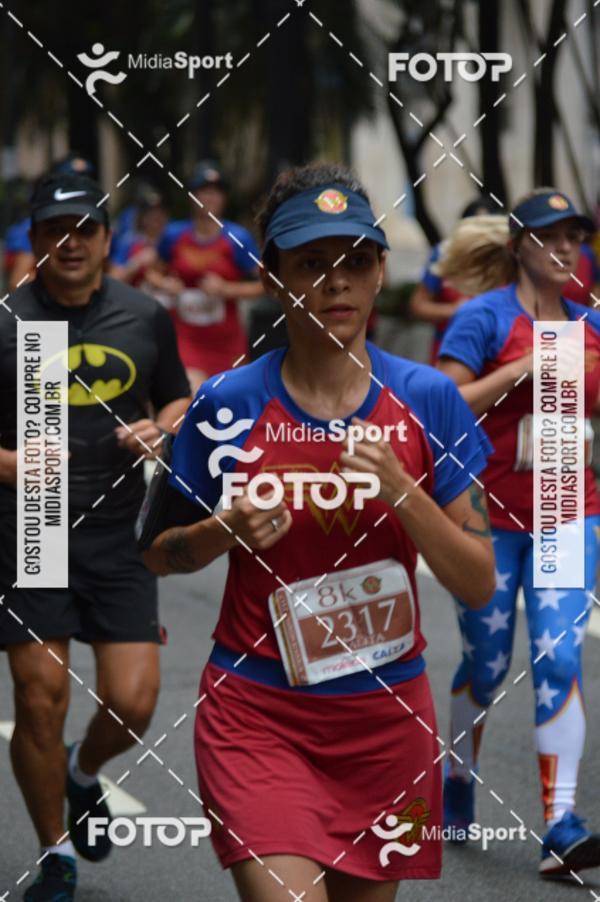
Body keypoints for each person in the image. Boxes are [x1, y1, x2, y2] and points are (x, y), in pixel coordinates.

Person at [141, 163, 496, 902]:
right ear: (273, 280)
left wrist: (404, 494)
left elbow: (477, 581)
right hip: (257, 715)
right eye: (311, 264)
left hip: (386, 722)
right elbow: (159, 553)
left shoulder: (428, 400)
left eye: (356, 262)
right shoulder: (226, 406)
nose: (337, 282)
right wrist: (224, 529)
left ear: (377, 277)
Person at [0, 172, 191, 900]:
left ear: (108, 240)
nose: (70, 243)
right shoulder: (9, 321)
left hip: (118, 532)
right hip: (33, 525)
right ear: (36, 241)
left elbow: (177, 393)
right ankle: (56, 856)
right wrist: (11, 463)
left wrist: (163, 426)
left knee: (134, 702)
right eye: (55, 230)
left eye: (84, 229)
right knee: (39, 692)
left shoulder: (143, 315)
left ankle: (83, 772)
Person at [436, 188, 600, 878]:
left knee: (560, 657)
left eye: (574, 237)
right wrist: (514, 372)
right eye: (548, 237)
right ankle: (455, 776)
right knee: (490, 663)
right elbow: (438, 406)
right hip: (487, 514)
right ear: (518, 247)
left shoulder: (591, 323)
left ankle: (559, 825)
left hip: (569, 506)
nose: (564, 249)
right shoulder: (482, 318)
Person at [146, 160, 264, 393]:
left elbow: (269, 285)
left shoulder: (237, 238)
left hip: (227, 341)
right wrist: (166, 284)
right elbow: (152, 273)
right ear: (192, 197)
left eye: (215, 193)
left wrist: (227, 290)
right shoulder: (174, 234)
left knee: (230, 401)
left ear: (224, 199)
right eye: (203, 192)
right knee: (193, 394)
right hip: (186, 338)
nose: (209, 199)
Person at [409, 197, 500, 363]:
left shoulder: (507, 261)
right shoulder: (444, 254)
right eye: (473, 230)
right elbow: (418, 305)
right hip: (448, 351)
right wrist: (456, 310)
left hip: (493, 354)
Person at [3, 155, 96, 292]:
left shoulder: (95, 224)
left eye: (86, 179)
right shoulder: (35, 226)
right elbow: (18, 282)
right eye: (70, 181)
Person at [110, 186, 169, 292]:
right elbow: (115, 278)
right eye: (151, 214)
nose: (156, 218)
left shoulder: (174, 239)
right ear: (142, 217)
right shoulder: (129, 243)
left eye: (159, 213)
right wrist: (137, 262)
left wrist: (162, 282)